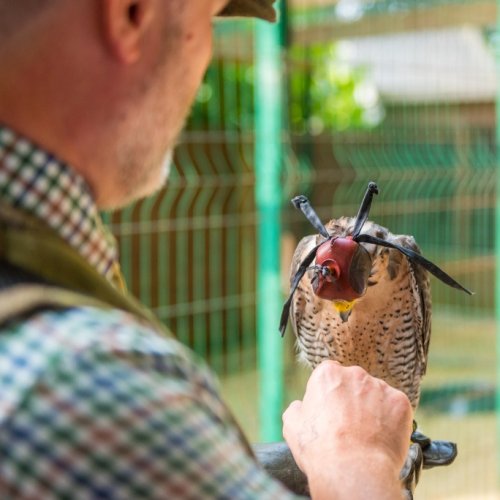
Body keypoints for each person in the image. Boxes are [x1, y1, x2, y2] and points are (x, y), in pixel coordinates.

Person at [0, 0, 413, 498]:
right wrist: (358, 462)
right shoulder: (84, 387)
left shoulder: (53, 280)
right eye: (207, 19)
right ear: (130, 13)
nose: (206, 56)